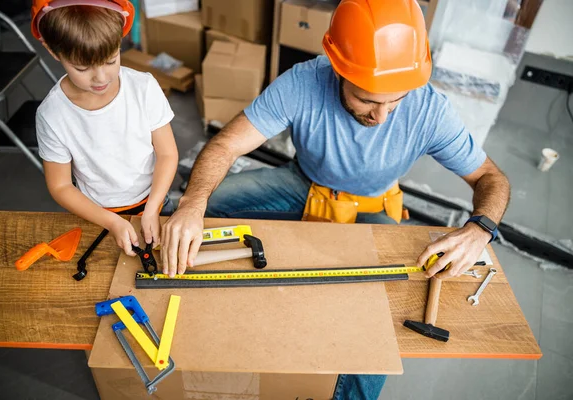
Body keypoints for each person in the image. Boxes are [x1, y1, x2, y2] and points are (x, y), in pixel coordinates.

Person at [166, 0, 510, 398]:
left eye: (393, 102)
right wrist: (193, 205)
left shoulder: (430, 110)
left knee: (380, 321)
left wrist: (478, 230)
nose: (381, 117)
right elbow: (226, 145)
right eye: (367, 100)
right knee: (196, 205)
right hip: (304, 184)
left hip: (373, 208)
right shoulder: (302, 83)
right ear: (338, 68)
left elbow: (490, 176)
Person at [31, 0, 178, 255]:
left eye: (111, 60)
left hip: (155, 199)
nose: (101, 77)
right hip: (98, 213)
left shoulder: (143, 88)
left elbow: (167, 153)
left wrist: (153, 208)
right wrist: (111, 222)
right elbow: (61, 186)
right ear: (54, 52)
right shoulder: (52, 115)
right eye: (82, 68)